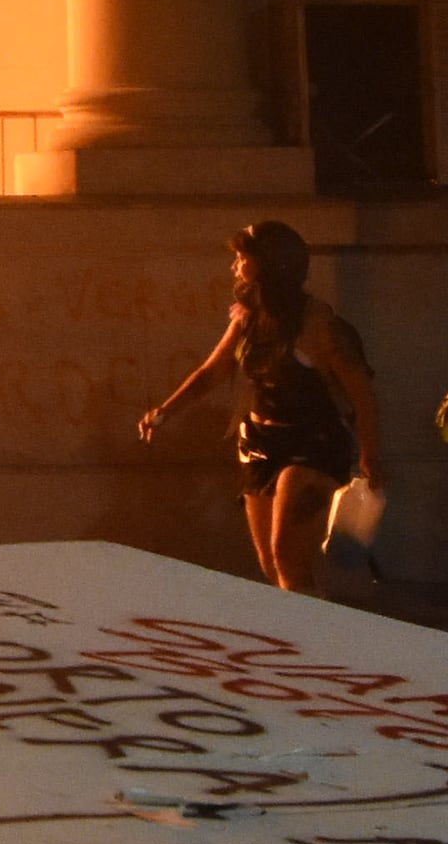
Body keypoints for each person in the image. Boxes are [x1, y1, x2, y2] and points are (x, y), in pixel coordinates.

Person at [137, 220, 377, 592]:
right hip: (259, 445)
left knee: (288, 555)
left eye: (241, 257)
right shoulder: (249, 316)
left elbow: (361, 391)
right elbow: (212, 371)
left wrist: (370, 456)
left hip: (311, 445)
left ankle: (309, 640)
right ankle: (309, 621)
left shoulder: (318, 325)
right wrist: (164, 411)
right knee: (270, 564)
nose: (235, 266)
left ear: (267, 263)